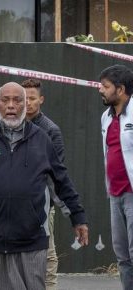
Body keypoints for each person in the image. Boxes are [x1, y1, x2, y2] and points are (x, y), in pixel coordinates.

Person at [0, 82, 89, 290]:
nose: (11, 105)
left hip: (30, 243)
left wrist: (78, 217)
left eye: (17, 100)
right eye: (5, 100)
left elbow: (61, 182)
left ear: (25, 104)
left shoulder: (42, 139)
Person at [21, 78, 67, 290]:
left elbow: (55, 173)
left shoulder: (51, 131)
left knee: (46, 256)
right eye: (24, 98)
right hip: (12, 204)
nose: (28, 102)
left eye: (32, 98)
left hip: (42, 205)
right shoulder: (10, 125)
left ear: (41, 99)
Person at [99, 64, 133, 290]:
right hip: (115, 195)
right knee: (122, 257)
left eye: (105, 86)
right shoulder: (105, 117)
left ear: (120, 90)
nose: (100, 89)